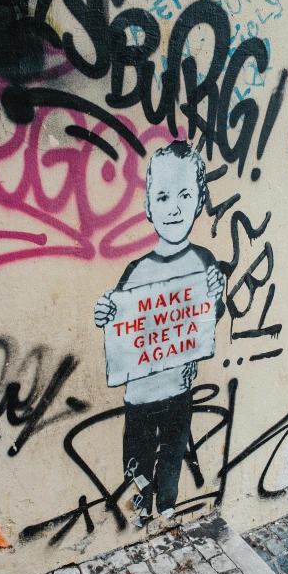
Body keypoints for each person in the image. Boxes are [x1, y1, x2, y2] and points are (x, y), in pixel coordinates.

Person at [94, 140, 224, 526]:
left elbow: (205, 322)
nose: (174, 207)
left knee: (172, 449)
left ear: (199, 201)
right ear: (149, 206)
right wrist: (106, 312)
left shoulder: (203, 264)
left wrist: (215, 298)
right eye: (163, 196)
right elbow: (120, 320)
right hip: (139, 393)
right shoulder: (137, 271)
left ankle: (166, 502)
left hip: (177, 388)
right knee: (136, 453)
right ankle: (141, 500)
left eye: (185, 194)